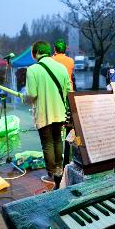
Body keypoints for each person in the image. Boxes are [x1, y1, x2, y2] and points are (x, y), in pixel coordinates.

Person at [25, 40, 71, 190]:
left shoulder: (32, 70)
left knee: (47, 143)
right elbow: (68, 89)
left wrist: (25, 98)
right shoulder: (61, 67)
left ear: (35, 53)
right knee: (58, 140)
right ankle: (59, 170)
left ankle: (51, 174)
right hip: (59, 112)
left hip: (44, 113)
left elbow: (32, 94)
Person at [52, 38, 75, 168]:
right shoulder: (70, 61)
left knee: (56, 129)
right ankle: (68, 159)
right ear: (65, 49)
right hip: (69, 96)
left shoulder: (51, 60)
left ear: (55, 49)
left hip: (56, 96)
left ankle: (57, 162)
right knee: (70, 127)